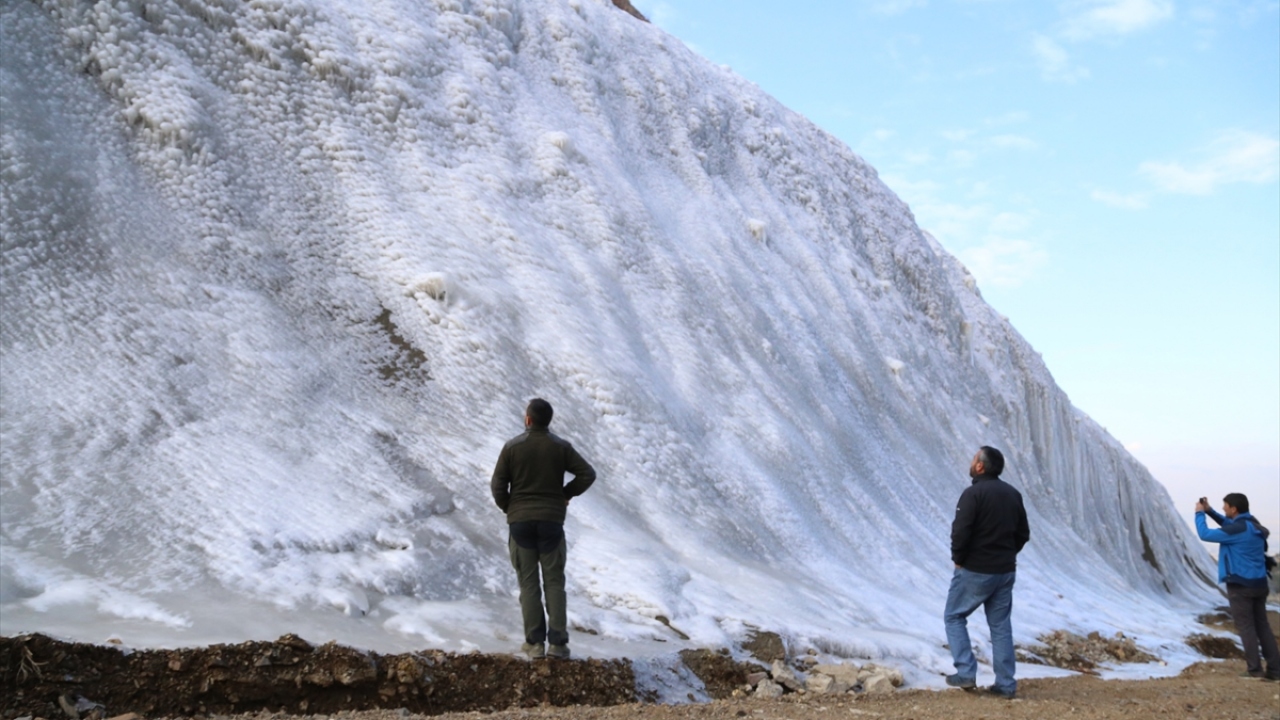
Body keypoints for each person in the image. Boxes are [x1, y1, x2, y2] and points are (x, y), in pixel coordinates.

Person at [491, 398, 596, 660]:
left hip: (520, 524)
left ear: (528, 419)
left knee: (529, 583)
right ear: (548, 421)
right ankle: (558, 645)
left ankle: (534, 645)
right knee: (554, 582)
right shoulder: (560, 447)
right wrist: (565, 494)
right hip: (551, 522)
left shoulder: (512, 447)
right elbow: (587, 474)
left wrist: (511, 508)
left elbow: (497, 486)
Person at [944, 446, 1030, 699]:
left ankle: (966, 672)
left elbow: (961, 531)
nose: (971, 462)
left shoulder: (974, 494)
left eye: (974, 458)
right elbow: (1023, 533)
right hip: (1005, 571)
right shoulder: (1013, 494)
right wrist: (1006, 554)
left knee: (954, 616)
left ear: (980, 466)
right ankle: (1005, 684)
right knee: (1001, 626)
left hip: (976, 570)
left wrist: (958, 559)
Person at [1195, 493, 1279, 680]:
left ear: (1234, 509)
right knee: (1262, 627)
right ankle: (1275, 671)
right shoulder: (1252, 525)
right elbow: (1229, 525)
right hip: (1259, 583)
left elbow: (1205, 534)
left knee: (1246, 627)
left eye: (1225, 506)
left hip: (1241, 585)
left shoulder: (1237, 529)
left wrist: (1199, 514)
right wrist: (1210, 511)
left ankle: (1254, 670)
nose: (1223, 509)